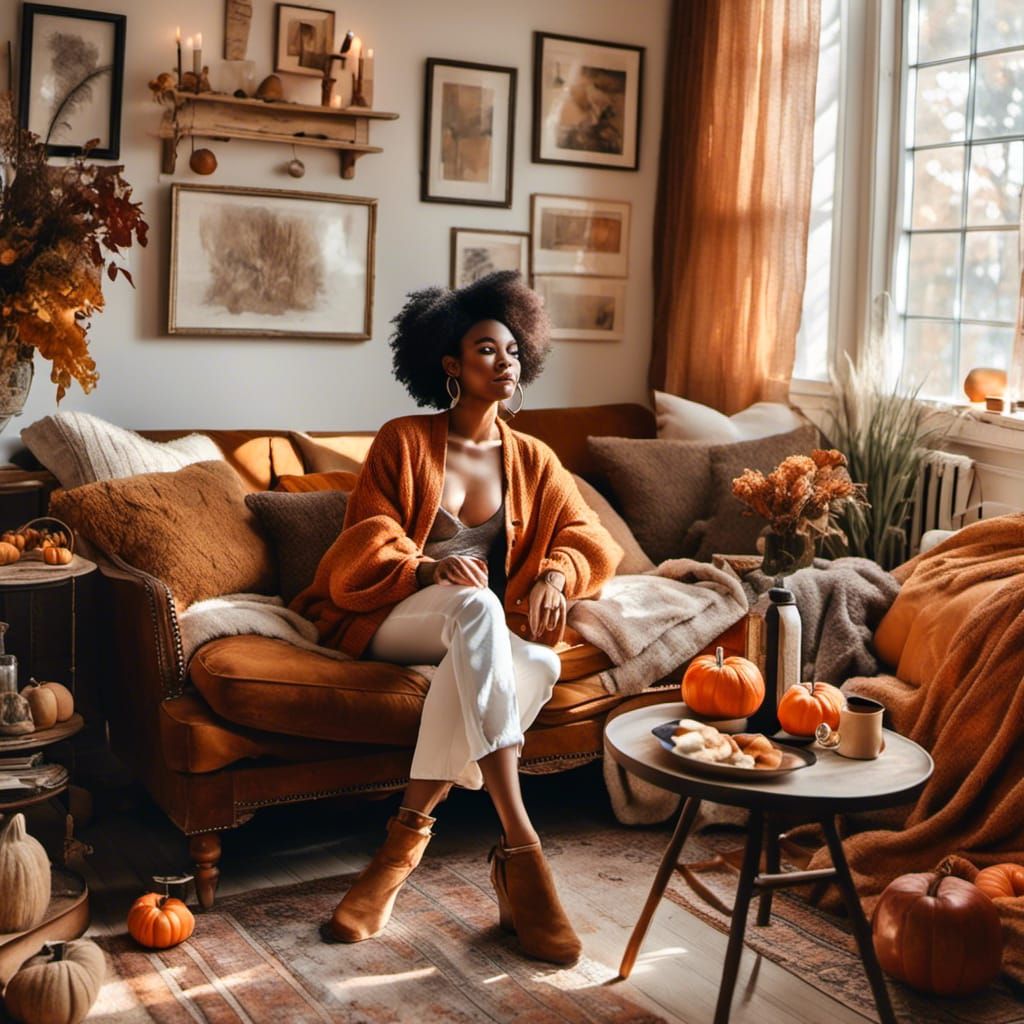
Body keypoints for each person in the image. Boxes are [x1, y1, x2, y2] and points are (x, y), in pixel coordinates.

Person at [292, 271, 623, 965]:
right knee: (476, 606)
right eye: (485, 351)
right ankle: (523, 848)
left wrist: (559, 572)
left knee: (538, 659)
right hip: (392, 616)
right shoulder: (404, 440)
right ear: (449, 364)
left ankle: (397, 850)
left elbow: (592, 537)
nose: (504, 362)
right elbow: (364, 541)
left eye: (511, 351)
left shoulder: (533, 457)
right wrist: (425, 567)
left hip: (471, 641)